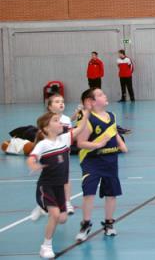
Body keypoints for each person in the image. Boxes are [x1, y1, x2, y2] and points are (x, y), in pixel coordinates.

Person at [27, 109, 89, 259]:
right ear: (47, 128)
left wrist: (86, 114)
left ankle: (42, 209)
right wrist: (33, 165)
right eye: (56, 120)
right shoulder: (43, 145)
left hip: (60, 187)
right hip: (46, 185)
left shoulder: (65, 139)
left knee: (62, 219)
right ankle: (45, 246)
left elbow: (79, 128)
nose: (60, 122)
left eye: (60, 120)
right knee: (54, 215)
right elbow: (31, 158)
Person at [75, 88, 128, 242]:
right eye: (100, 94)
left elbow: (113, 131)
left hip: (111, 160)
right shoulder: (87, 119)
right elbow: (81, 143)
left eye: (103, 93)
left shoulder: (111, 115)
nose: (104, 95)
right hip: (92, 161)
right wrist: (98, 144)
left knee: (111, 193)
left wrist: (121, 144)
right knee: (89, 193)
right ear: (90, 102)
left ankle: (109, 223)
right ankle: (85, 224)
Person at [31, 93, 76, 220]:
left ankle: (67, 202)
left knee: (66, 178)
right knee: (48, 183)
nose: (61, 103)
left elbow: (69, 135)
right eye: (56, 101)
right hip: (49, 156)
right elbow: (40, 138)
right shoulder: (46, 121)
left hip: (63, 155)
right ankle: (41, 206)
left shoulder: (67, 120)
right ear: (50, 107)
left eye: (62, 101)